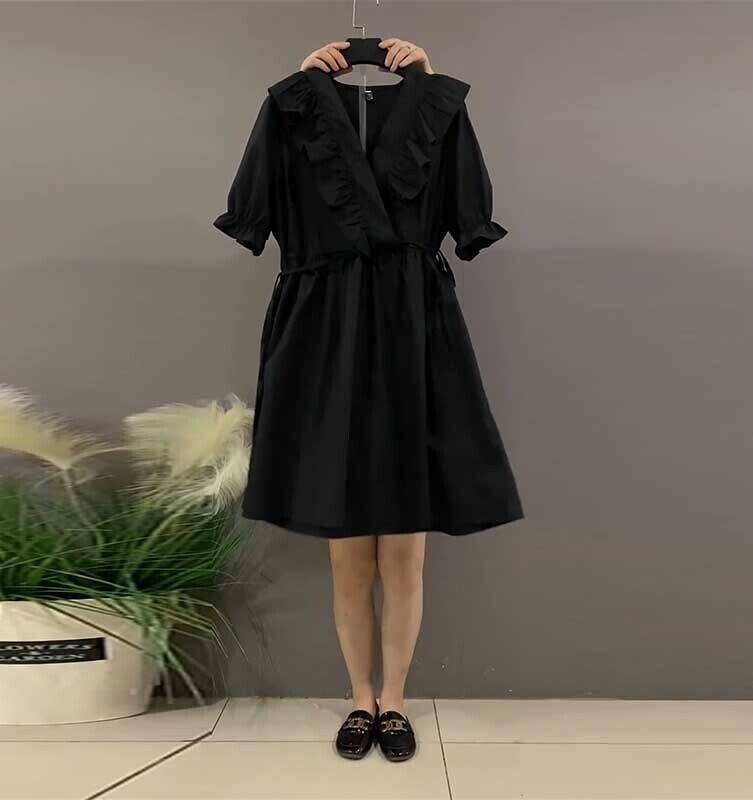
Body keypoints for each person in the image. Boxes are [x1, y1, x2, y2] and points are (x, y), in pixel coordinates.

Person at [302, 38, 434, 763]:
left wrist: (425, 84)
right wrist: (305, 88)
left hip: (413, 333)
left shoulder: (440, 112)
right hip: (331, 335)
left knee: (405, 559)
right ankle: (361, 698)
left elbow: (465, 208)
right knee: (349, 559)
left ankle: (396, 700)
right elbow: (258, 208)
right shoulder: (292, 113)